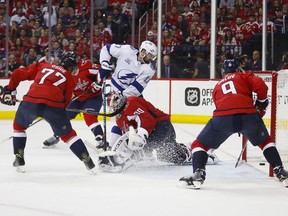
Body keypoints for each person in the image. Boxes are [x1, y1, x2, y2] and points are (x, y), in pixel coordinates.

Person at [178, 58, 288, 189]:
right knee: (265, 142)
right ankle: (280, 171)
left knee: (199, 144)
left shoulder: (217, 87)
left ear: (223, 71)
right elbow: (261, 85)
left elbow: (223, 106)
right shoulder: (244, 75)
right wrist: (261, 102)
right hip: (249, 117)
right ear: (238, 69)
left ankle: (198, 174)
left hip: (223, 119)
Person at [1, 51, 96, 173]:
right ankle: (87, 161)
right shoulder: (70, 79)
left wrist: (10, 90)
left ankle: (19, 157)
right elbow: (66, 102)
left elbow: (18, 73)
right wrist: (55, 113)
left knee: (19, 127)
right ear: (71, 67)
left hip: (31, 101)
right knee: (69, 135)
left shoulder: (44, 66)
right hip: (54, 106)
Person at [97, 91, 219, 172]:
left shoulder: (132, 102)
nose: (112, 108)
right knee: (163, 155)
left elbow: (148, 120)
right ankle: (188, 148)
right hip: (152, 133)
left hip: (162, 127)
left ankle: (198, 153)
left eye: (113, 105)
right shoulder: (120, 118)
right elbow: (124, 134)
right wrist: (113, 151)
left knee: (170, 155)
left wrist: (141, 138)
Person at [95, 40, 157, 151]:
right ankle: (113, 147)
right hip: (115, 91)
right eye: (150, 56)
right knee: (121, 121)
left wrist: (121, 96)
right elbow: (107, 49)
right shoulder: (127, 50)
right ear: (143, 52)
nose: (151, 59)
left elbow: (136, 88)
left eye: (153, 57)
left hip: (131, 96)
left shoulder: (149, 69)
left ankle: (140, 146)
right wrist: (104, 63)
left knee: (135, 120)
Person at [42, 59, 107, 148]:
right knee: (62, 116)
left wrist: (98, 84)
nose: (68, 71)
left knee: (89, 116)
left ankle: (101, 139)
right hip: (78, 98)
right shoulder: (64, 74)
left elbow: (103, 71)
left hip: (93, 97)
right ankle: (56, 135)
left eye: (70, 68)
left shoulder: (86, 66)